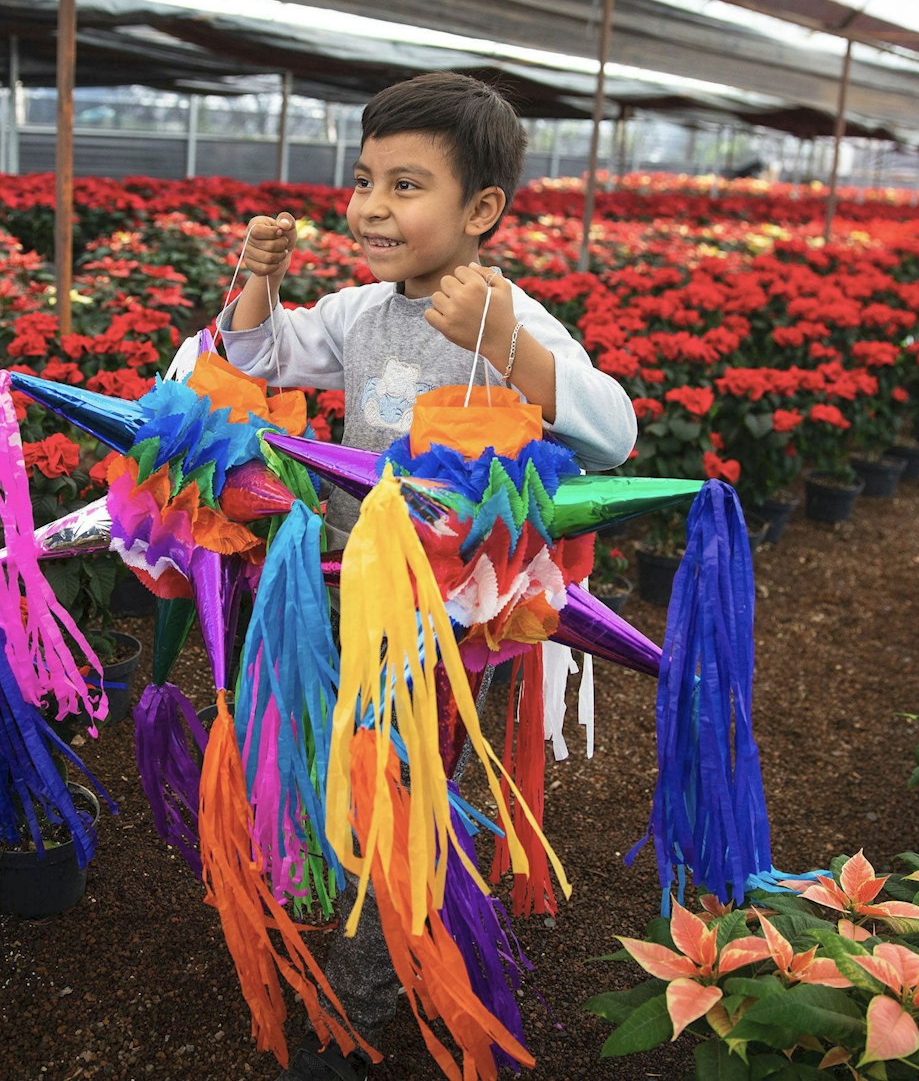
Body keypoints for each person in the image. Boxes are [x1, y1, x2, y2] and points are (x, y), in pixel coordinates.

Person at [217, 71, 636, 1079]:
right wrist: (255, 274)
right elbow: (256, 349)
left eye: (405, 186)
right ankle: (390, 927)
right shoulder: (359, 311)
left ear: (480, 209)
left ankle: (360, 1015)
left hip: (444, 620)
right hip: (347, 590)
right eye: (365, 182)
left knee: (401, 788)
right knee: (357, 776)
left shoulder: (503, 312)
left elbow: (613, 431)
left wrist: (506, 347)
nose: (369, 208)